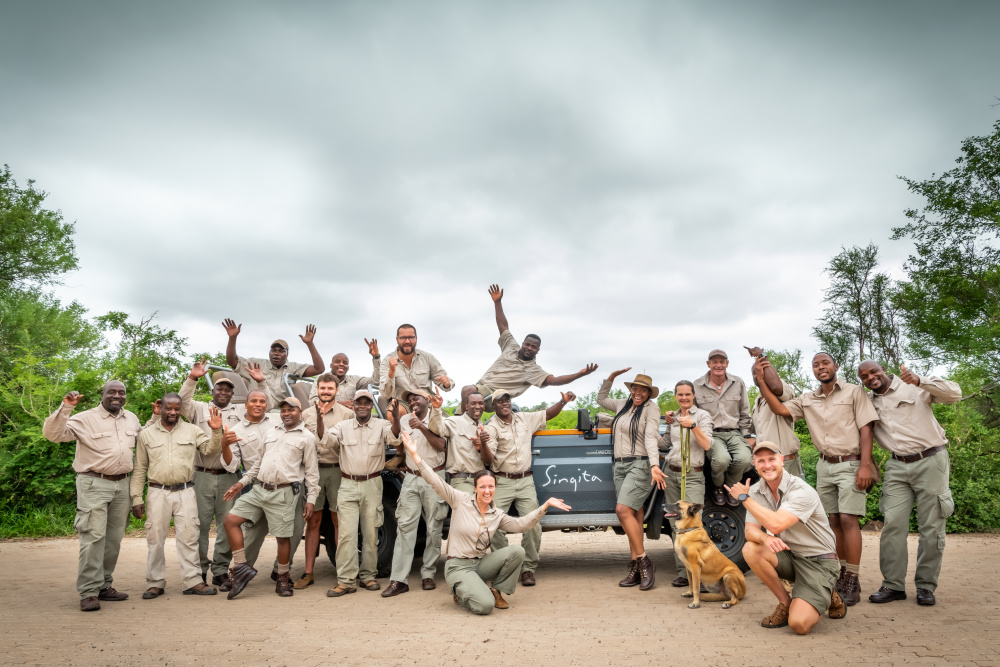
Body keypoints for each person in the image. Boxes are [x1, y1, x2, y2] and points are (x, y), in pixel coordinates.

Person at [398, 431, 572, 614]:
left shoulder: (497, 514)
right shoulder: (460, 500)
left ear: (495, 488)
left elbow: (521, 525)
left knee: (517, 551)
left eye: (491, 486)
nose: (487, 491)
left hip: (480, 564)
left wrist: (544, 506)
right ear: (475, 488)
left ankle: (496, 590)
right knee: (485, 606)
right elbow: (435, 481)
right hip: (458, 566)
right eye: (483, 487)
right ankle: (459, 590)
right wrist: (415, 455)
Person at [756, 353, 879, 606]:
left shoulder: (855, 392)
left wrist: (865, 465)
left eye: (825, 363)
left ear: (835, 366)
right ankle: (839, 573)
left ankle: (852, 578)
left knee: (848, 519)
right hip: (825, 465)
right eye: (816, 365)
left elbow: (867, 428)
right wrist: (761, 381)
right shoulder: (808, 399)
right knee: (832, 520)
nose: (821, 368)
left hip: (851, 462)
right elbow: (779, 408)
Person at [858, 361, 962, 607]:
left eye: (873, 371)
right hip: (896, 466)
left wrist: (920, 381)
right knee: (892, 524)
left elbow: (955, 394)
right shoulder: (867, 401)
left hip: (930, 459)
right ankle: (893, 585)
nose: (870, 377)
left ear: (883, 369)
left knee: (932, 526)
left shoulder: (912, 386)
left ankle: (926, 586)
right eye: (864, 376)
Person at [43, 381, 142, 612]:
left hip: (122, 484)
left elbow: (144, 443)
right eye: (112, 392)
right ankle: (88, 591)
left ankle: (104, 586)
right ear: (103, 395)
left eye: (121, 392)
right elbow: (53, 434)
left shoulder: (132, 419)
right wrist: (65, 408)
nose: (117, 396)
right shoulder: (85, 418)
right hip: (93, 483)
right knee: (93, 537)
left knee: (113, 539)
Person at [730, 442, 847, 634]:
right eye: (761, 461)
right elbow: (750, 532)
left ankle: (829, 591)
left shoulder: (801, 490)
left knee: (799, 625)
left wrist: (744, 499)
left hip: (819, 563)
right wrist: (765, 539)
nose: (767, 465)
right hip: (791, 556)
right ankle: (785, 603)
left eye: (771, 459)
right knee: (751, 548)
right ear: (754, 464)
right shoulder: (756, 490)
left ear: (781, 460)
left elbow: (776, 524)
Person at [178, 359, 263, 591]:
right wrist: (192, 378)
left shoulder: (239, 411)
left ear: (232, 393)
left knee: (228, 524)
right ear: (213, 390)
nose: (223, 392)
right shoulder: (198, 409)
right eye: (219, 388)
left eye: (228, 389)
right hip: (202, 475)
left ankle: (220, 572)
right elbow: (182, 401)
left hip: (230, 476)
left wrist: (259, 383)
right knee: (200, 525)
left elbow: (262, 405)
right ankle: (199, 572)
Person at [222, 396, 319, 599]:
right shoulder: (270, 432)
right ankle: (240, 569)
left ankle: (283, 578)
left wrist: (311, 499)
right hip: (259, 488)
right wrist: (241, 483)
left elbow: (311, 473)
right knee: (231, 520)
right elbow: (257, 464)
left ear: (299, 412)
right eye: (283, 410)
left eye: (291, 410)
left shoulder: (307, 437)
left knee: (283, 537)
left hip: (284, 492)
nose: (286, 413)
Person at [131, 394, 226, 599]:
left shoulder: (193, 430)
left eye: (177, 409)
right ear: (161, 408)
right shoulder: (146, 435)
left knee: (189, 536)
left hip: (186, 491)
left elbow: (210, 450)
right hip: (158, 492)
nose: (173, 412)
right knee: (155, 539)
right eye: (169, 408)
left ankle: (193, 581)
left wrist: (216, 430)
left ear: (181, 409)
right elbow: (139, 468)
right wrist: (136, 497)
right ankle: (155, 583)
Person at [484, 389, 577, 586]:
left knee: (533, 523)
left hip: (526, 480)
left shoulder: (524, 419)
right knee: (495, 525)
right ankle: (504, 565)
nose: (504, 403)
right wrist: (483, 445)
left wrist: (563, 402)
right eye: (500, 401)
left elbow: (548, 414)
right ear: (494, 406)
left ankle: (528, 569)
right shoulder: (491, 427)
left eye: (507, 399)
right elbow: (487, 459)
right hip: (502, 480)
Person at [324, 390, 401, 597]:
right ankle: (346, 581)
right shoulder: (342, 426)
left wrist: (395, 418)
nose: (363, 406)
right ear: (354, 405)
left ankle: (368, 576)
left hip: (373, 483)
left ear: (370, 406)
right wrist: (318, 419)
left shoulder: (382, 424)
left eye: (367, 403)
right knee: (347, 535)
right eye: (359, 402)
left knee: (371, 533)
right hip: (348, 483)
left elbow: (394, 439)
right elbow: (327, 441)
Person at [474, 284, 598, 410]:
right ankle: (460, 424)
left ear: (538, 351)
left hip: (494, 397)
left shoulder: (533, 371)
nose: (529, 348)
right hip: (479, 388)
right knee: (468, 398)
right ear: (522, 344)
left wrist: (579, 374)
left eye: (533, 347)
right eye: (527, 344)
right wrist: (497, 303)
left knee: (469, 391)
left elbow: (554, 380)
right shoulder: (511, 346)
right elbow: (503, 326)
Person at [598, 368, 667, 591]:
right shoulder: (622, 405)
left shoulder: (652, 409)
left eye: (643, 390)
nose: (638, 392)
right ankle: (637, 568)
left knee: (622, 510)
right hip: (619, 465)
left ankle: (645, 561)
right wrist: (611, 377)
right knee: (634, 516)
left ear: (648, 393)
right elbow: (601, 399)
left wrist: (654, 465)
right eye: (635, 388)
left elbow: (650, 437)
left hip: (640, 464)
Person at [381, 390, 449, 597]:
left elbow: (441, 445)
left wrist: (422, 427)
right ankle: (399, 580)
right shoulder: (403, 419)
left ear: (427, 400)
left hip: (434, 477)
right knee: (405, 527)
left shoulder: (439, 418)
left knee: (433, 528)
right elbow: (395, 440)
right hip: (411, 477)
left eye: (416, 398)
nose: (412, 402)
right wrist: (394, 418)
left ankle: (428, 574)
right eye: (409, 400)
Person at [296, 373, 355, 589]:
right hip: (314, 473)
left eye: (330, 389)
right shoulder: (305, 414)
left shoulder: (347, 414)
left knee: (339, 521)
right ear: (317, 389)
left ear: (337, 390)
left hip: (338, 471)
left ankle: (343, 573)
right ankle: (308, 573)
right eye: (323, 388)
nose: (326, 392)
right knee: (313, 522)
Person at [659, 381, 713, 587]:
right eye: (680, 395)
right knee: (676, 526)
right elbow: (665, 444)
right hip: (672, 475)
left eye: (687, 394)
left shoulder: (702, 416)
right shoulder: (672, 418)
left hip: (692, 475)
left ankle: (702, 574)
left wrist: (693, 426)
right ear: (675, 396)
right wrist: (652, 427)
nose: (684, 398)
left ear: (693, 395)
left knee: (694, 526)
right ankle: (684, 573)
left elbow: (707, 444)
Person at [691, 350, 754, 507]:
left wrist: (748, 436)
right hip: (711, 434)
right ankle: (717, 487)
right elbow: (693, 412)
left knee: (745, 459)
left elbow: (745, 411)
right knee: (721, 460)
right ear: (708, 364)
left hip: (734, 432)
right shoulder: (697, 385)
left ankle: (730, 487)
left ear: (727, 363)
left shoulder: (738, 382)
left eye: (721, 361)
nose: (718, 365)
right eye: (714, 362)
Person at [222, 318, 325, 410]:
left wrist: (310, 344)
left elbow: (319, 369)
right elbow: (232, 361)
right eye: (273, 350)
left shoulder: (293, 367)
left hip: (281, 412)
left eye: (281, 351)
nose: (276, 353)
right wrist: (232, 338)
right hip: (259, 409)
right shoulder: (257, 364)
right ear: (269, 352)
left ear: (287, 354)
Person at [745, 346, 804, 478]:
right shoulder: (757, 401)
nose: (758, 374)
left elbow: (776, 386)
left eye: (762, 370)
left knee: (791, 498)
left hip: (785, 461)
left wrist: (761, 355)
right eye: (755, 372)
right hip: (765, 464)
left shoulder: (782, 389)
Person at [429, 387, 491, 494]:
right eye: (473, 403)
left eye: (480, 403)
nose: (477, 406)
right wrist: (436, 409)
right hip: (462, 481)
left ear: (484, 406)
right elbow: (436, 429)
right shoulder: (455, 422)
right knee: (465, 509)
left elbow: (488, 461)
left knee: (483, 510)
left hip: (481, 481)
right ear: (466, 406)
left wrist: (482, 446)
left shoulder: (485, 429)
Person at [379, 323, 453, 406]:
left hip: (426, 402)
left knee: (448, 419)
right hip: (402, 403)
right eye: (403, 338)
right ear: (397, 339)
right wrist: (391, 372)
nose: (407, 341)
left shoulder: (428, 358)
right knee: (393, 411)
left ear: (416, 338)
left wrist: (447, 384)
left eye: (411, 337)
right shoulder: (387, 361)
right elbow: (386, 394)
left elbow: (446, 384)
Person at [308, 338, 381, 407]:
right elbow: (312, 403)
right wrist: (339, 404)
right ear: (331, 365)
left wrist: (376, 357)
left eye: (345, 363)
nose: (341, 364)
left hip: (349, 416)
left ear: (348, 368)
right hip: (327, 415)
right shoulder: (321, 380)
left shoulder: (354, 380)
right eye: (337, 362)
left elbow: (376, 381)